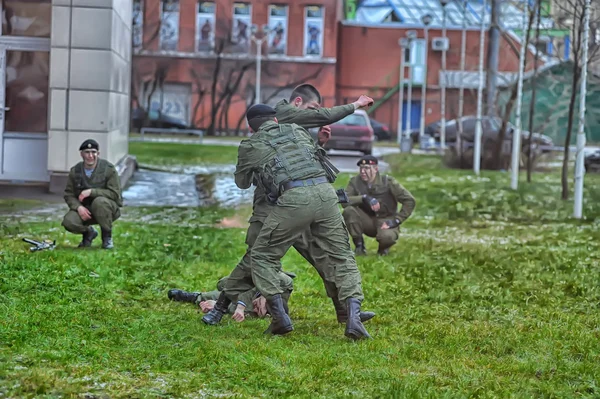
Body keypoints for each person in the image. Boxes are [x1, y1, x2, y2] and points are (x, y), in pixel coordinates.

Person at [203, 84, 375, 327]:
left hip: (297, 203)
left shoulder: (289, 131)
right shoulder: (288, 126)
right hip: (272, 209)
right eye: (310, 109)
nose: (310, 116)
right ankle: (220, 308)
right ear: (285, 112)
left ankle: (345, 312)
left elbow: (307, 164)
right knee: (254, 260)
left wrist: (321, 144)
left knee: (323, 257)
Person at [342, 155, 416, 256]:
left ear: (376, 169)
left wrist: (397, 220)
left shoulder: (388, 182)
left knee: (387, 237)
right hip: (366, 220)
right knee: (349, 211)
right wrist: (363, 198)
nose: (363, 171)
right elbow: (344, 201)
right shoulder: (355, 182)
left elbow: (409, 200)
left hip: (386, 220)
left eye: (367, 168)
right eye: (361, 168)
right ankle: (359, 246)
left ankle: (383, 249)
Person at [61, 139, 122, 249]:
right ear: (81, 154)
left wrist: (92, 192)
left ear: (98, 154)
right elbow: (69, 194)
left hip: (106, 209)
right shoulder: (75, 171)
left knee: (99, 202)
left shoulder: (108, 169)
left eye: (93, 152)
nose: (90, 155)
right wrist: (78, 207)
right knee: (68, 222)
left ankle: (107, 237)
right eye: (87, 152)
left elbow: (115, 194)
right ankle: (89, 233)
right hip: (86, 210)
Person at [168, 272, 295, 322]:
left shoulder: (257, 311)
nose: (255, 309)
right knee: (224, 284)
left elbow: (234, 307)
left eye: (259, 312)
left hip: (249, 290)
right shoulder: (285, 282)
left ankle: (195, 297)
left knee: (227, 298)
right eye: (258, 306)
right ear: (269, 298)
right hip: (252, 275)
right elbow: (263, 275)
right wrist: (242, 304)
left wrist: (215, 305)